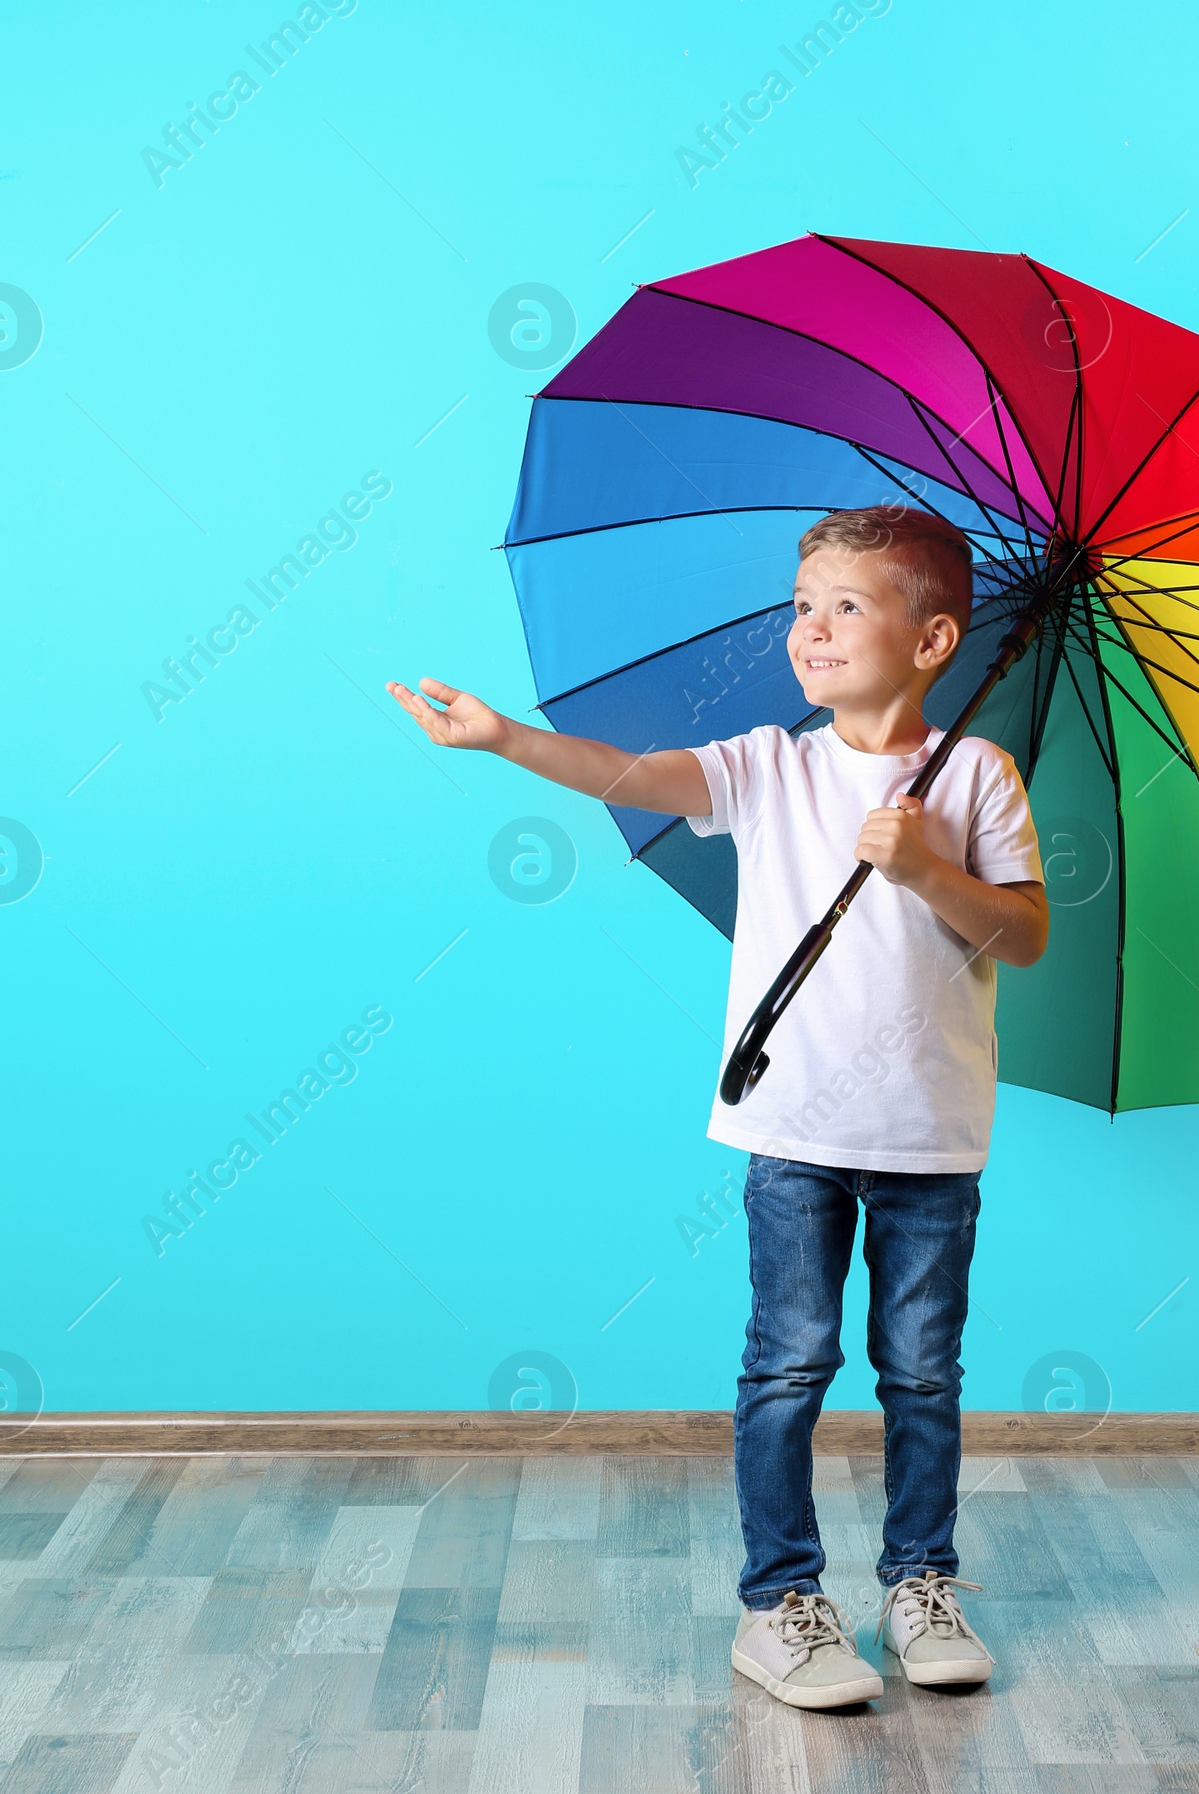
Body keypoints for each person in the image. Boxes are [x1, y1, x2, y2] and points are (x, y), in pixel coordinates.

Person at [388, 503, 1048, 1709]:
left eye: (849, 606)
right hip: (791, 1131)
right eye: (805, 606)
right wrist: (505, 742)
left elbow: (1028, 933)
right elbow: (636, 777)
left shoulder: (977, 781)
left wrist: (924, 870)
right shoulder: (772, 765)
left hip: (932, 1139)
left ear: (935, 639)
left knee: (923, 1374)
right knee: (790, 1364)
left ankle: (919, 1583)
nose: (814, 628)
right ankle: (780, 1602)